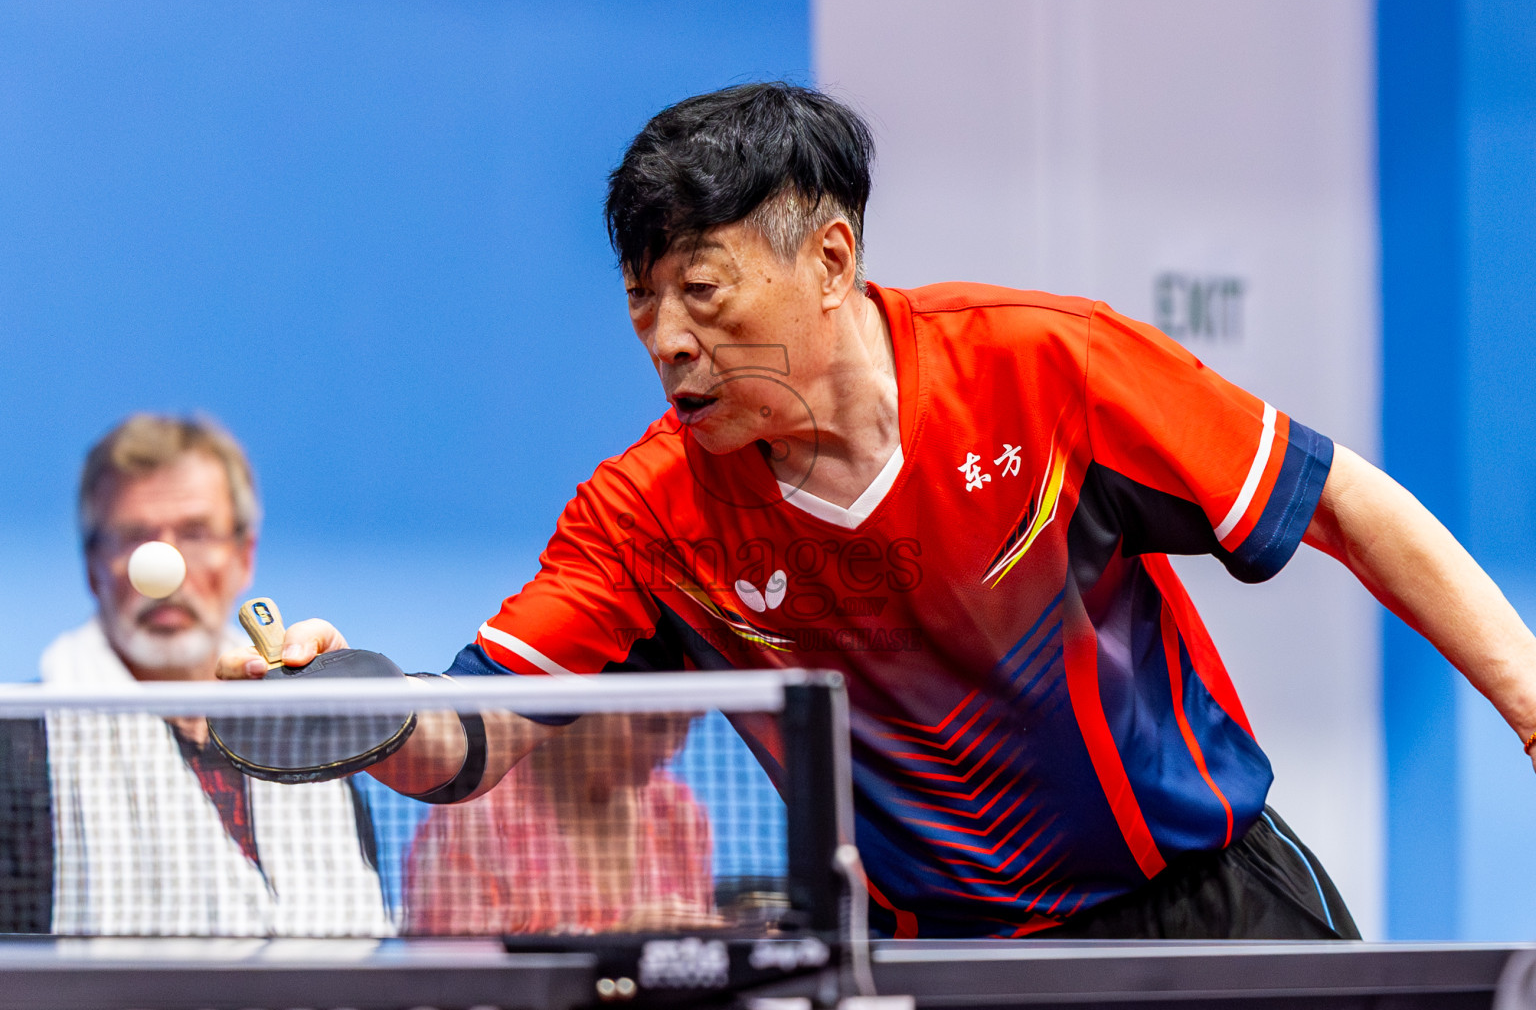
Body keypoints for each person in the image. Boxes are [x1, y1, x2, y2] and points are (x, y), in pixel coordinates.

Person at [224, 84, 1536, 940]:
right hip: (952, 960)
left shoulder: (1044, 369)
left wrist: (1532, 703)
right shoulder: (651, 514)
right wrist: (354, 707)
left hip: (1209, 904)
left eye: (701, 291)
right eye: (641, 304)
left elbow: (1346, 505)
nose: (666, 342)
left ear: (832, 260)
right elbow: (486, 727)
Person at [7, 414, 393, 937]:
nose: (169, 571)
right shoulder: (19, 747)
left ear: (243, 557)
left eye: (195, 533)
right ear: (92, 566)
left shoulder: (312, 739)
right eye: (134, 537)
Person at [403, 713, 716, 935]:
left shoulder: (680, 814)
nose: (671, 749)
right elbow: (452, 982)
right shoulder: (471, 822)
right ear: (578, 710)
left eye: (687, 725)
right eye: (654, 725)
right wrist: (616, 946)